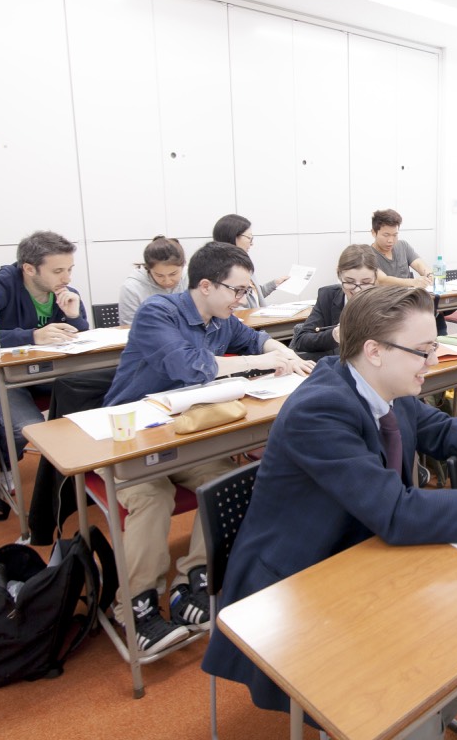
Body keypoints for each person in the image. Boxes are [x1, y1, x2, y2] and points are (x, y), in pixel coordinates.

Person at [203, 286, 457, 731]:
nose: (433, 362)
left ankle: (431, 712)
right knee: (429, 651)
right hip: (296, 580)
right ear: (374, 351)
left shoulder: (381, 384)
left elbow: (436, 426)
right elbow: (397, 514)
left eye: (433, 347)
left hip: (361, 547)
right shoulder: (320, 409)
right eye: (422, 351)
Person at [102, 242, 315, 653]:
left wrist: (288, 356)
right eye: (236, 291)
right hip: (131, 437)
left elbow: (257, 339)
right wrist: (261, 365)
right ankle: (135, 605)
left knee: (224, 480)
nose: (241, 300)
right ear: (205, 285)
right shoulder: (158, 313)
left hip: (184, 432)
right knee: (152, 497)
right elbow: (191, 365)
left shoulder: (222, 319)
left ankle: (194, 579)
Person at [0, 231, 89, 467]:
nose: (66, 278)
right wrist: (31, 336)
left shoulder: (66, 294)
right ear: (29, 269)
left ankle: (75, 464)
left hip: (35, 372)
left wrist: (74, 317)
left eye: (69, 269)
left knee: (93, 388)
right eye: (58, 271)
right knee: (28, 425)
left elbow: (79, 338)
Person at [289, 244, 380, 361]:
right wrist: (333, 335)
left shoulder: (384, 304)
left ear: (375, 278)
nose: (357, 289)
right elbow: (302, 340)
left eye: (366, 282)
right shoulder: (328, 296)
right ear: (339, 274)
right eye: (349, 281)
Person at [212, 213, 288, 309]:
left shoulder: (243, 263)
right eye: (249, 238)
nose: (251, 243)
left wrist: (274, 284)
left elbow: (253, 297)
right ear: (233, 236)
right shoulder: (219, 268)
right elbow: (231, 306)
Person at [118, 235, 188, 325]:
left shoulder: (193, 279)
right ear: (148, 269)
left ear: (183, 265)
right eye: (159, 275)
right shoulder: (131, 288)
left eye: (173, 274)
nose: (167, 281)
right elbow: (128, 328)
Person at [369, 208, 433, 288]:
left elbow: (419, 264)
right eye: (386, 235)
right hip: (386, 299)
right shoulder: (367, 255)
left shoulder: (403, 245)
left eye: (395, 235)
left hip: (409, 297)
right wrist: (414, 282)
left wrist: (429, 275)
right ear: (374, 233)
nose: (391, 240)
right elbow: (382, 280)